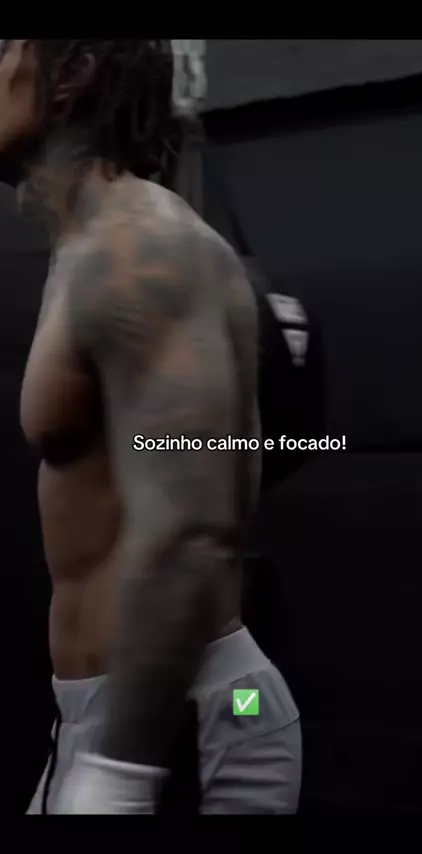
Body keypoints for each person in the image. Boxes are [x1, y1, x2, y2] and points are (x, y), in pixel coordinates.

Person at [0, 39, 301, 814]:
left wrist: (121, 775)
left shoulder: (141, 248)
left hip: (183, 723)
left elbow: (190, 534)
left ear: (72, 73)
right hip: (113, 720)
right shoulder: (86, 249)